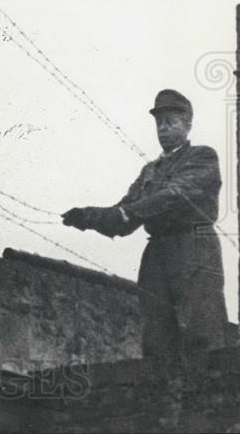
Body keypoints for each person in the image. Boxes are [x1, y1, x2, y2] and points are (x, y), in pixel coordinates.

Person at [62, 89, 228, 367]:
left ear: (188, 125)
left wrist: (129, 213)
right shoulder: (149, 171)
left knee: (201, 329)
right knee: (156, 335)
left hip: (193, 246)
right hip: (158, 252)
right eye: (159, 122)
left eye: (171, 121)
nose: (163, 128)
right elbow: (123, 214)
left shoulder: (202, 157)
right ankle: (159, 401)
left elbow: (175, 195)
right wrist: (88, 217)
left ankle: (210, 396)